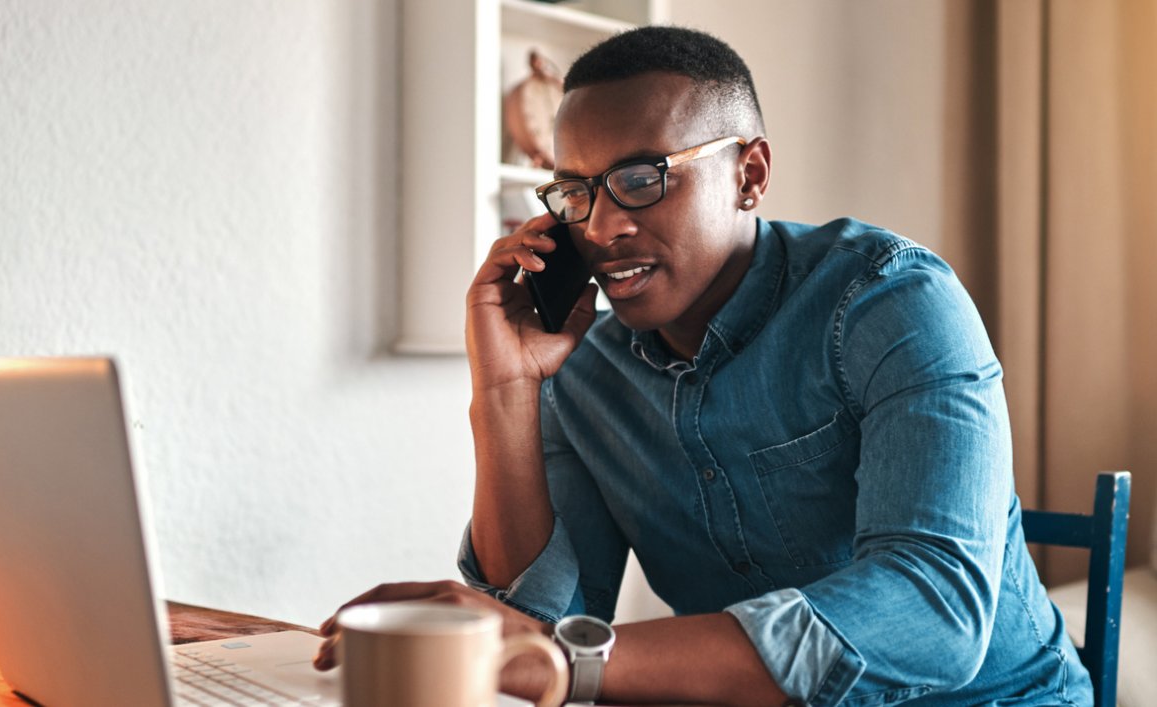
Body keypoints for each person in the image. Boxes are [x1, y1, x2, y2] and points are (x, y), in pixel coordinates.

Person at [316, 26, 1093, 707]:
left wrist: (552, 659)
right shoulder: (584, 362)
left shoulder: (891, 300)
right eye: (577, 191)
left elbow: (934, 614)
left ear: (749, 174)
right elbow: (539, 628)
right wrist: (505, 393)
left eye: (642, 178)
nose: (605, 225)